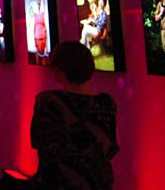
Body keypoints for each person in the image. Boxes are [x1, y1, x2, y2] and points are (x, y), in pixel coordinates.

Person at [30, 42, 119, 190]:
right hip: (98, 183)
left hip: (57, 183)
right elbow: (111, 148)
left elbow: (37, 142)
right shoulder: (107, 103)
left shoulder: (48, 101)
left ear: (58, 70)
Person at [33, 0, 49, 66]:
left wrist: (46, 36)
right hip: (37, 37)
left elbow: (46, 26)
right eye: (37, 1)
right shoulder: (35, 14)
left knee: (43, 54)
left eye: (39, 1)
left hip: (43, 36)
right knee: (37, 54)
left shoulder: (43, 13)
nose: (38, 2)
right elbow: (34, 26)